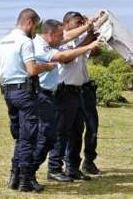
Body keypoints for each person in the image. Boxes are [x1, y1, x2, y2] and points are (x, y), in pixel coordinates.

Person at [31, 19, 99, 183]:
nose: (62, 37)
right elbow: (64, 57)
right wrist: (88, 45)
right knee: (57, 133)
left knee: (77, 131)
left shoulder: (55, 40)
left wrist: (91, 27)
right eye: (78, 22)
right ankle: (51, 169)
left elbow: (68, 37)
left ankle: (72, 168)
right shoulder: (42, 45)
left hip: (76, 91)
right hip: (56, 93)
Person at [0, 8, 55, 193]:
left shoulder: (4, 40)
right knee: (28, 138)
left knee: (20, 137)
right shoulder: (25, 42)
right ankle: (25, 181)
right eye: (35, 27)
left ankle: (14, 178)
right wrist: (46, 67)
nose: (35, 32)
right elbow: (31, 70)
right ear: (29, 22)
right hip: (24, 93)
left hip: (8, 92)